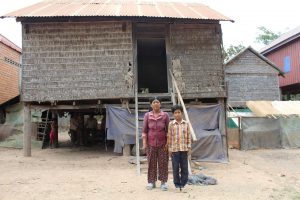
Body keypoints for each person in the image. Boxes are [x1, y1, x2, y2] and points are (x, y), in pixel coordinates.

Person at [142, 97, 170, 191]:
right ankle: (151, 182)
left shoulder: (165, 115)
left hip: (163, 144)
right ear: (151, 105)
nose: (156, 104)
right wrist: (145, 143)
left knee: (163, 163)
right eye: (154, 102)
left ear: (160, 104)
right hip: (151, 143)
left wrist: (168, 142)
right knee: (151, 163)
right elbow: (144, 131)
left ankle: (163, 182)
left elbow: (168, 131)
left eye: (157, 102)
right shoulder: (147, 115)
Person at [167, 104, 191, 191]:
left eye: (179, 112)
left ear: (182, 113)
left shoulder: (186, 124)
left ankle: (183, 184)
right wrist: (169, 148)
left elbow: (188, 136)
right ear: (173, 114)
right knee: (175, 167)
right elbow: (169, 137)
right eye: (175, 113)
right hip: (174, 150)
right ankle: (177, 184)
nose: (177, 114)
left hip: (184, 149)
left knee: (184, 167)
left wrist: (189, 147)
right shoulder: (171, 124)